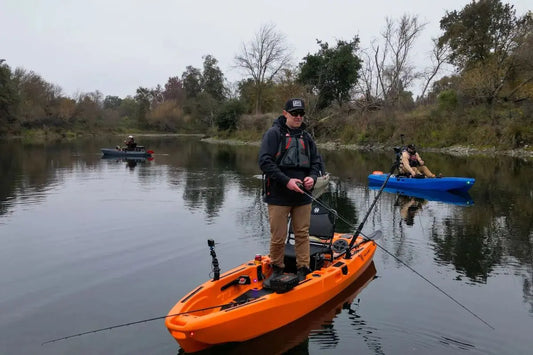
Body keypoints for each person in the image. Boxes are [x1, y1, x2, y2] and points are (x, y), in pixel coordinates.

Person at [258, 98, 322, 287]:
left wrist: (312, 177)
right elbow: (265, 162)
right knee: (278, 236)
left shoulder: (307, 137)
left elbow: (316, 162)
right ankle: (277, 268)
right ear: (285, 113)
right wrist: (287, 181)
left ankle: (303, 269)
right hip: (279, 195)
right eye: (294, 114)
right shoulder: (273, 134)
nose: (298, 117)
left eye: (301, 114)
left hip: (302, 196)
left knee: (302, 233)